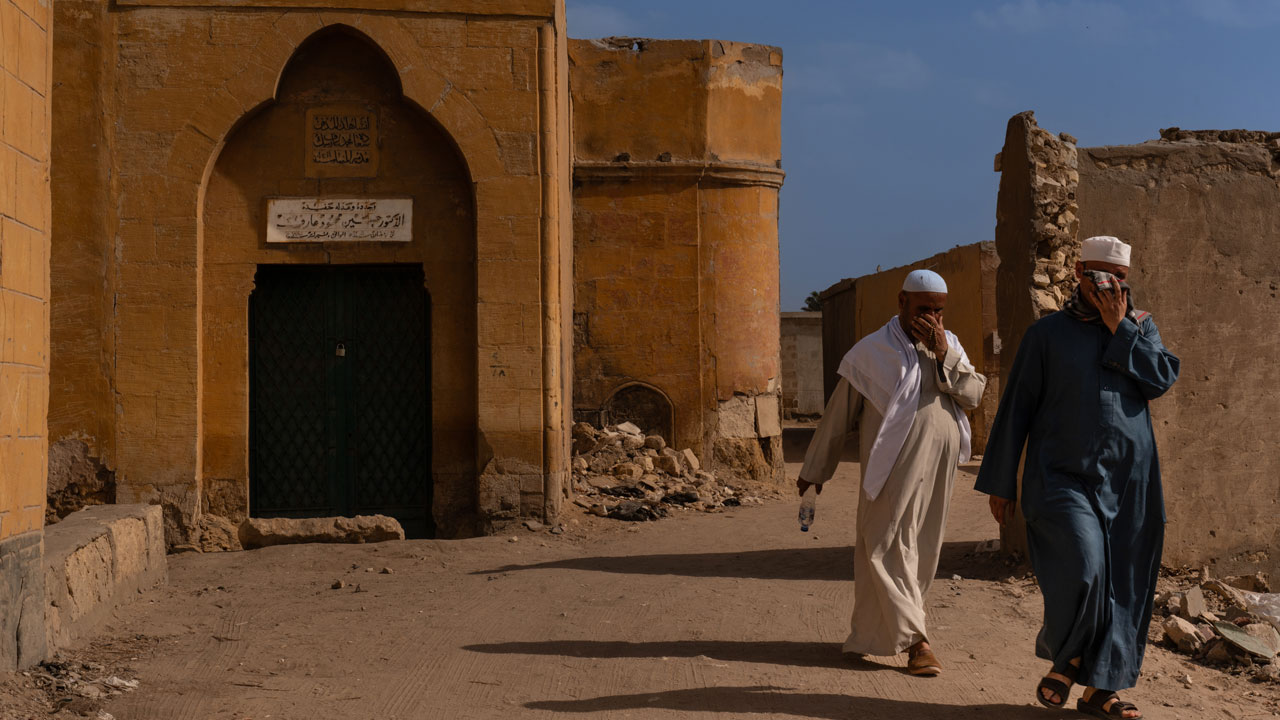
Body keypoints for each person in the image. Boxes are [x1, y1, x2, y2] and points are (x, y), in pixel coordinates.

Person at [976, 236, 1179, 719]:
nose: (1109, 286)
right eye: (1099, 275)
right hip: (1062, 476)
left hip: (1131, 481)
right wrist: (1002, 481)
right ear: (1078, 273)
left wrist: (1119, 329)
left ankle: (1100, 691)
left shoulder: (1141, 329)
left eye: (1119, 278)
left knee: (1124, 583)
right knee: (1085, 566)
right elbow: (1016, 408)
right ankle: (1067, 657)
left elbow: (1161, 380)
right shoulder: (1046, 335)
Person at [796, 269, 986, 676]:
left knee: (922, 550)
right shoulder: (871, 352)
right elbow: (838, 416)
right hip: (893, 468)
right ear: (901, 302)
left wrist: (943, 354)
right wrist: (815, 470)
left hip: (939, 467)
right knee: (883, 545)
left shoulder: (949, 345)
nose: (931, 320)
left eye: (938, 312)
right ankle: (919, 641)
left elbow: (973, 394)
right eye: (923, 310)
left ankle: (871, 636)